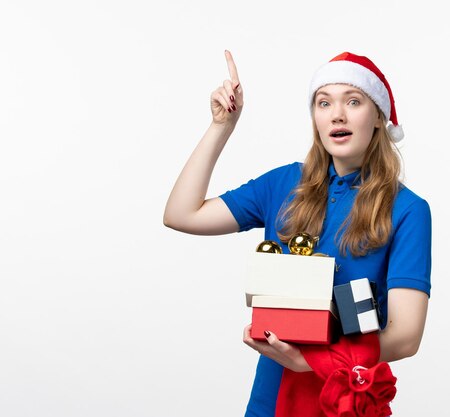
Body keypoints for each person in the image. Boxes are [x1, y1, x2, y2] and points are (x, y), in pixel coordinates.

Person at [163, 50, 431, 417]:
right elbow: (182, 214)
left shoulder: (408, 209)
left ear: (378, 117)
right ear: (316, 119)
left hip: (343, 402)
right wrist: (221, 127)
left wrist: (310, 360)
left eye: (353, 101)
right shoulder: (286, 184)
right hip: (269, 402)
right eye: (324, 103)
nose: (337, 113)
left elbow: (406, 336)